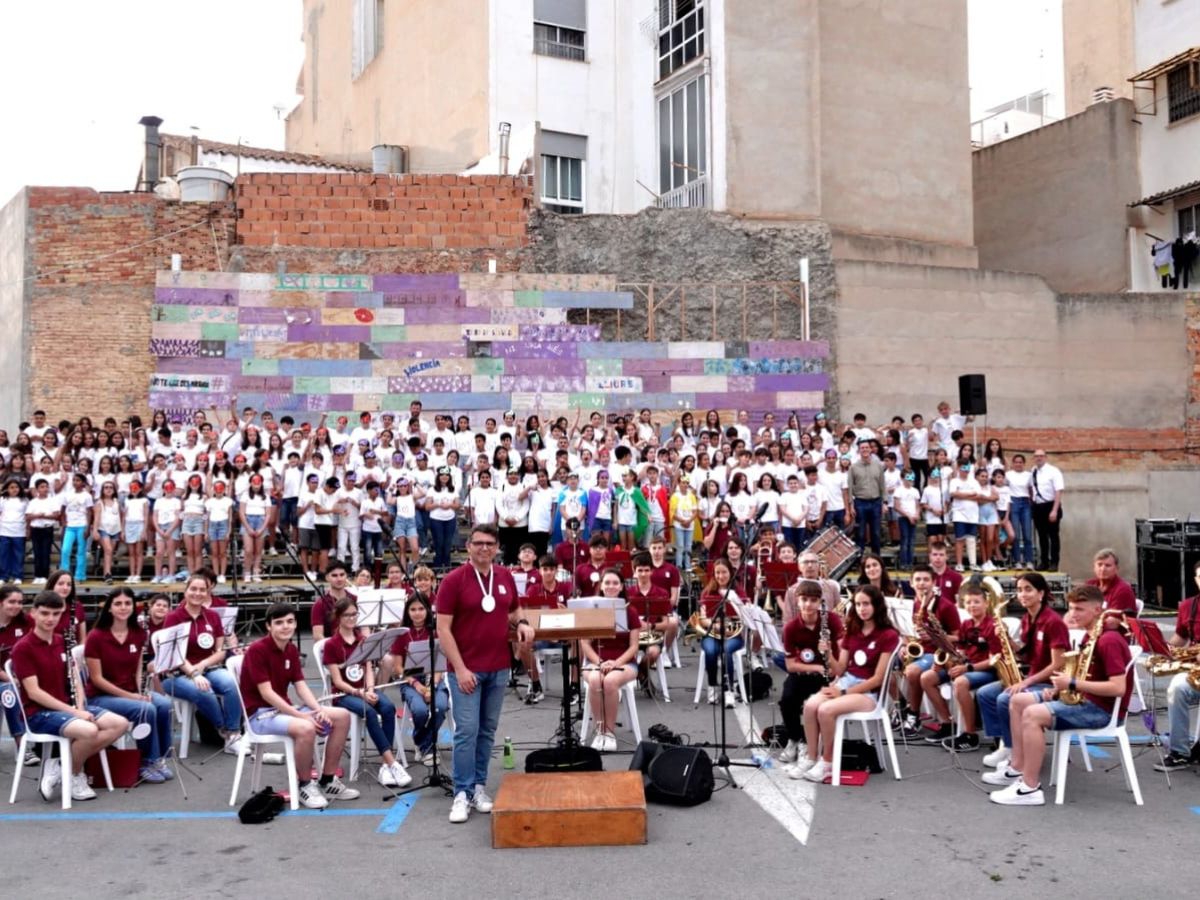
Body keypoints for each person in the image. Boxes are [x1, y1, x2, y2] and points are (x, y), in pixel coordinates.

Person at [988, 585, 1132, 806]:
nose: (1073, 614)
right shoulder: (1090, 636)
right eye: (1072, 608)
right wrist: (1058, 690)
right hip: (1083, 699)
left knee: (1032, 715)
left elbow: (1118, 688)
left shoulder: (1108, 640)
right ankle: (1016, 767)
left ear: (1097, 610)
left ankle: (1029, 788)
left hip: (1100, 710)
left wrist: (1072, 683)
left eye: (1080, 609)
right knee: (1017, 701)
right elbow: (1083, 674)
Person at [436, 523, 534, 824]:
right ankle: (461, 793)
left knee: (487, 731)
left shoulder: (504, 577)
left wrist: (523, 623)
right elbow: (443, 629)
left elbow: (514, 610)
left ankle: (478, 786)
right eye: (478, 543)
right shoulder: (453, 581)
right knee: (467, 732)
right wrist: (462, 669)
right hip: (466, 670)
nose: (484, 548)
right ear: (469, 547)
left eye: (490, 544)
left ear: (497, 547)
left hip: (499, 667)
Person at [241, 602, 361, 809]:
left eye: (290, 621)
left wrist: (318, 709)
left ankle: (328, 779)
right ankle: (304, 784)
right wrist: (302, 716)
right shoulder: (257, 650)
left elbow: (300, 686)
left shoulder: (291, 649)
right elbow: (266, 693)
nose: (286, 626)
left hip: (284, 710)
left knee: (342, 715)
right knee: (306, 727)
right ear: (269, 626)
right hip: (260, 715)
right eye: (279, 623)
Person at [12, 590, 129, 802]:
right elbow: (34, 692)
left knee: (119, 724)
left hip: (68, 706)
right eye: (45, 613)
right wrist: (74, 712)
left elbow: (75, 678)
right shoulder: (23, 648)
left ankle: (61, 765)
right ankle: (74, 774)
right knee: (89, 730)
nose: (50, 619)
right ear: (33, 613)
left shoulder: (61, 640)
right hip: (39, 713)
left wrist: (81, 706)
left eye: (56, 614)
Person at [792, 585, 899, 783]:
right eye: (858, 604)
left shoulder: (888, 635)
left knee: (825, 710)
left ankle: (828, 763)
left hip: (869, 693)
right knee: (810, 706)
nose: (861, 608)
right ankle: (811, 758)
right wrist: (827, 653)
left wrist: (843, 692)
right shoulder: (853, 631)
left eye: (866, 604)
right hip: (847, 682)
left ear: (876, 605)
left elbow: (877, 678)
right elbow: (840, 669)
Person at [976, 572, 1070, 774]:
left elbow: (1058, 664)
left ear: (1041, 593)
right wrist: (1010, 643)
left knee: (1004, 698)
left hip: (1050, 683)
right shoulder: (1028, 618)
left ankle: (1014, 750)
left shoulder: (1053, 622)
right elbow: (1027, 656)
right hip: (1033, 676)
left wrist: (1026, 683)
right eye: (1019, 590)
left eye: (1028, 589)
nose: (1022, 594)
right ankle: (1005, 744)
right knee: (984, 694)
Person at [84, 588, 175, 784]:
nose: (123, 607)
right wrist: (132, 697)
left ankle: (160, 758)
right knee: (146, 708)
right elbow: (97, 679)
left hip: (129, 692)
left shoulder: (139, 633)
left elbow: (137, 670)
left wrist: (141, 691)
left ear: (134, 607)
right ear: (109, 608)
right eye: (118, 603)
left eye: (127, 603)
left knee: (164, 705)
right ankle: (146, 761)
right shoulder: (96, 636)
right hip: (101, 696)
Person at [322, 596, 411, 787]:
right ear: (338, 616)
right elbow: (337, 681)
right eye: (347, 615)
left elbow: (369, 670)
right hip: (343, 695)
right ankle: (391, 762)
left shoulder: (363, 640)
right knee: (368, 712)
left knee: (387, 707)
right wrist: (360, 693)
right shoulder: (331, 644)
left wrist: (370, 690)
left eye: (355, 614)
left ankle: (384, 767)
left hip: (364, 690)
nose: (352, 618)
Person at [160, 574, 244, 754]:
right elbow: (175, 654)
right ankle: (226, 733)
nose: (197, 593)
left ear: (208, 592)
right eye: (193, 589)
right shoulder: (173, 617)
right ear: (186, 590)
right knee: (204, 690)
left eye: (202, 590)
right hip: (176, 674)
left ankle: (234, 733)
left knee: (231, 683)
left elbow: (221, 651)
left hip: (207, 668)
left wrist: (203, 665)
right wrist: (194, 673)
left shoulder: (213, 616)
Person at [917, 578, 1002, 749]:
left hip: (986, 670)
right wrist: (946, 662)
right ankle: (949, 723)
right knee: (927, 677)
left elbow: (995, 660)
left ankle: (970, 735)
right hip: (967, 665)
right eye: (968, 602)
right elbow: (962, 650)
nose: (972, 606)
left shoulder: (993, 625)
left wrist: (966, 668)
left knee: (961, 682)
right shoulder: (966, 624)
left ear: (986, 603)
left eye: (976, 602)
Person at [778, 579, 843, 772]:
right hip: (805, 672)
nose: (808, 605)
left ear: (820, 602)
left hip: (829, 674)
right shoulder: (790, 627)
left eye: (813, 600)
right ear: (797, 601)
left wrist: (830, 653)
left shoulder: (830, 620)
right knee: (787, 699)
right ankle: (794, 739)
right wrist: (815, 668)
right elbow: (790, 665)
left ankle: (808, 741)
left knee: (813, 704)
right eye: (804, 599)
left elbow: (843, 651)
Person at [580, 568, 640, 752]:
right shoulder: (592, 611)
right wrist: (599, 662)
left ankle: (609, 732)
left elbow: (634, 646)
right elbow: (585, 644)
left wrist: (615, 663)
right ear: (601, 586)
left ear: (622, 586)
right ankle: (600, 731)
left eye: (615, 583)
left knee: (611, 681)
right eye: (607, 583)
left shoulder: (631, 611)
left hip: (624, 662)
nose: (611, 586)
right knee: (597, 680)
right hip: (595, 661)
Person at [899, 564, 961, 738]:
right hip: (918, 651)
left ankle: (913, 714)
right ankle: (903, 711)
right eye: (917, 579)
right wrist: (904, 645)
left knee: (912, 672)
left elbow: (958, 637)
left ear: (934, 582)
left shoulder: (946, 606)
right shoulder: (910, 606)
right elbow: (905, 632)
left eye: (926, 579)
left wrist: (934, 636)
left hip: (939, 653)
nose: (921, 583)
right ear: (911, 583)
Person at [392, 591, 451, 766]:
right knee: (419, 711)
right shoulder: (402, 634)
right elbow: (397, 668)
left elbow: (442, 662)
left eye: (421, 609)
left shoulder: (436, 632)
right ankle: (427, 747)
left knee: (440, 707)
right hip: (410, 680)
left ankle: (422, 743)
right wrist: (416, 684)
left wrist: (432, 684)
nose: (417, 613)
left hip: (435, 677)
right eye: (413, 609)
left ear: (427, 610)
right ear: (407, 612)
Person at [1154, 559, 1200, 771]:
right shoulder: (1188, 606)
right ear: (1195, 580)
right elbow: (1180, 638)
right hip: (1196, 668)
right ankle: (1180, 752)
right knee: (1176, 688)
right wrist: (1164, 651)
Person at [517, 553, 572, 704]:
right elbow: (526, 615)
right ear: (540, 571)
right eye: (545, 569)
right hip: (541, 635)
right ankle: (535, 685)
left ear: (556, 571)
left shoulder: (566, 587)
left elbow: (575, 612)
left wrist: (565, 610)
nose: (548, 572)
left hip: (563, 634)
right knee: (523, 644)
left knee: (581, 642)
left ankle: (573, 685)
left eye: (551, 569)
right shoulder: (533, 590)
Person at [697, 558, 746, 708]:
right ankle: (712, 685)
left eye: (724, 572)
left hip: (733, 634)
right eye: (717, 573)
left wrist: (730, 623)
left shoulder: (738, 592)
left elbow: (744, 617)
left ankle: (728, 690)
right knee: (711, 651)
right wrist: (716, 626)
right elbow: (703, 619)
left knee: (727, 651)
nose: (721, 576)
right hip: (713, 632)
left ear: (730, 573)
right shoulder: (707, 592)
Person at [0, 584, 33, 753]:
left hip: (21, 677)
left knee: (9, 690)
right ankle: (22, 745)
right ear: (1, 603)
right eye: (11, 602)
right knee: (9, 690)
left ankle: (26, 746)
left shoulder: (26, 622)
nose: (17, 606)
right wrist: (11, 678)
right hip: (7, 679)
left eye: (20, 602)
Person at [847, 441, 885, 554]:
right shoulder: (853, 467)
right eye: (862, 448)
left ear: (870, 449)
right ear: (859, 450)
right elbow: (850, 487)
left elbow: (882, 484)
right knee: (860, 533)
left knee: (876, 533)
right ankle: (860, 560)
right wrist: (851, 505)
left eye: (867, 447)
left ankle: (877, 557)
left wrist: (884, 502)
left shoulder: (878, 465)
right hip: (860, 503)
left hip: (876, 502)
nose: (865, 450)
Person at [1029, 449, 1064, 571]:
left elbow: (1058, 491)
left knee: (1053, 536)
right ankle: (1044, 561)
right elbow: (1031, 487)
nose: (1039, 458)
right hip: (1038, 507)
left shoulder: (1053, 471)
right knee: (1042, 536)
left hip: (1051, 505)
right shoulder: (1033, 471)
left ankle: (1054, 562)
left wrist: (1054, 510)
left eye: (1041, 456)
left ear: (1045, 457)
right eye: (1036, 456)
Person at [1085, 548, 1138, 617]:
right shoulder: (1089, 585)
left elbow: (1112, 620)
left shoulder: (1123, 590)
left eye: (1107, 565)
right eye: (1099, 565)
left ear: (1116, 569)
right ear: (1094, 567)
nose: (1103, 569)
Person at [310, 559, 352, 642]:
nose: (339, 579)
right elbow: (318, 636)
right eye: (334, 575)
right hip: (332, 648)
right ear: (327, 578)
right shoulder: (319, 604)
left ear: (346, 576)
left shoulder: (355, 599)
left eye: (342, 575)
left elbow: (364, 630)